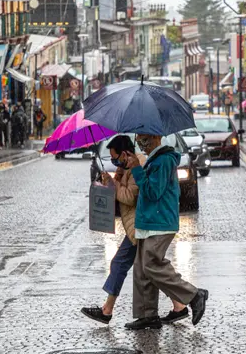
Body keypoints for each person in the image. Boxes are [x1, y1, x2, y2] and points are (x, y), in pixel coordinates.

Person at [81, 136, 188, 324]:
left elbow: (132, 196)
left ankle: (109, 310)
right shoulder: (128, 167)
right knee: (145, 269)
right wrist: (115, 178)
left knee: (137, 266)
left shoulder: (143, 163)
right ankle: (173, 307)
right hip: (137, 225)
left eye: (115, 158)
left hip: (143, 224)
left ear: (124, 153)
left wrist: (115, 185)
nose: (114, 162)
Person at [120, 134, 208, 330]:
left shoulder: (164, 160)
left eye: (144, 139)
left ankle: (193, 295)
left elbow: (153, 192)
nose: (140, 143)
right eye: (139, 139)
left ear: (156, 138)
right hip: (148, 221)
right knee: (142, 269)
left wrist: (136, 168)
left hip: (159, 221)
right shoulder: (154, 160)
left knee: (152, 264)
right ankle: (147, 314)